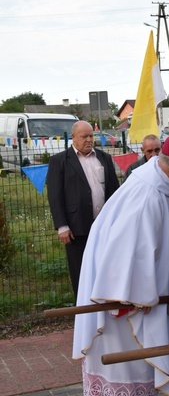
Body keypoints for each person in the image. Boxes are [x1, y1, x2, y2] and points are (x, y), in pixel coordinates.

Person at [73, 133, 169, 396]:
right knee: (126, 362)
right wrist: (127, 297)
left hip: (141, 293)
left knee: (141, 361)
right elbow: (124, 251)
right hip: (123, 298)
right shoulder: (146, 196)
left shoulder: (166, 183)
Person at [46, 120, 119, 300]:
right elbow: (55, 195)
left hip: (103, 227)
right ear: (73, 138)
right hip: (76, 227)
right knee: (80, 272)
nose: (88, 140)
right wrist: (62, 226)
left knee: (105, 269)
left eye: (91, 136)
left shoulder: (104, 158)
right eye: (84, 136)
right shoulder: (60, 161)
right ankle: (83, 311)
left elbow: (114, 191)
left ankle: (103, 308)